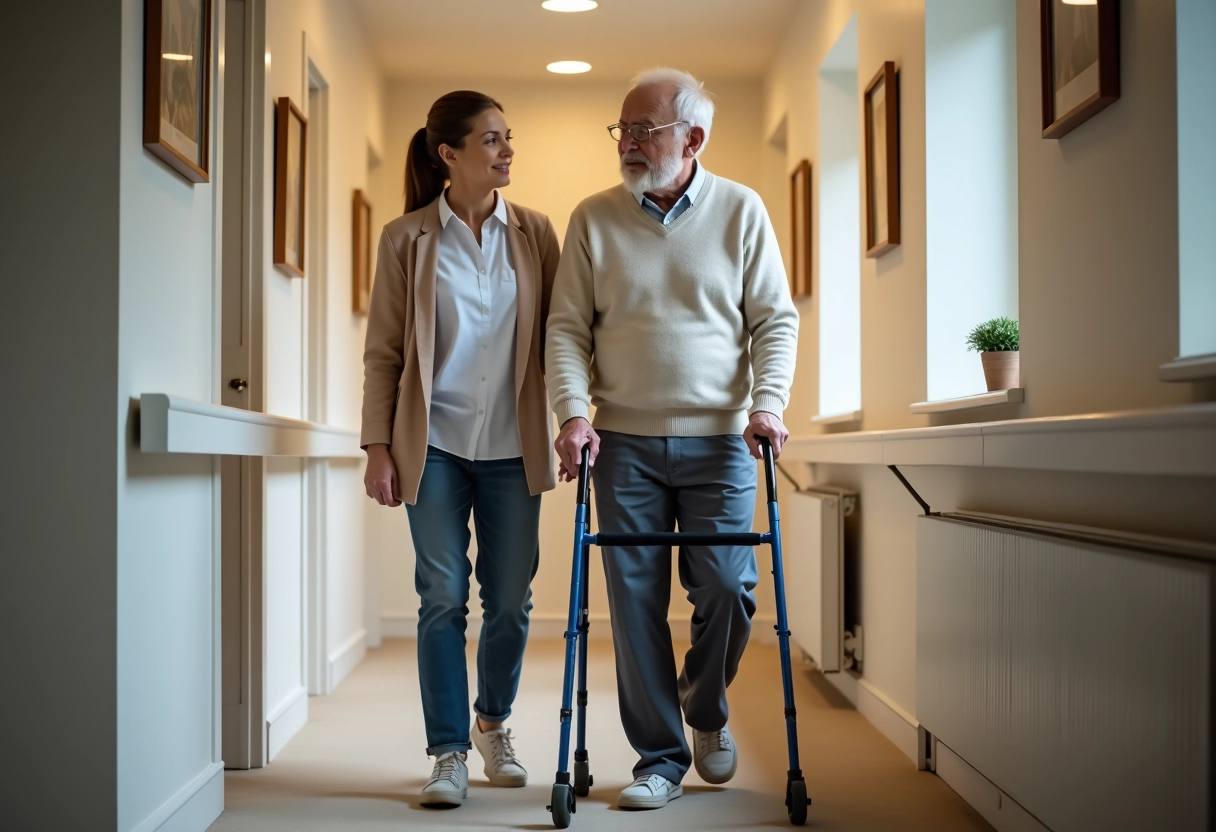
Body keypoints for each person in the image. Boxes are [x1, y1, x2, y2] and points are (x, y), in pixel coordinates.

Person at [545, 68, 799, 810]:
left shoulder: (741, 211)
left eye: (643, 129)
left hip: (722, 441)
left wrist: (769, 403)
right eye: (621, 129)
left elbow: (774, 321)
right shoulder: (593, 219)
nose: (627, 142)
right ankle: (659, 757)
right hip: (622, 440)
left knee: (727, 587)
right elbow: (566, 329)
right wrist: (572, 413)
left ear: (692, 138)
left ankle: (706, 709)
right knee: (632, 600)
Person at [360, 90, 560, 808]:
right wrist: (378, 444)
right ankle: (447, 751)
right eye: (491, 140)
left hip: (514, 445)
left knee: (509, 599)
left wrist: (571, 419)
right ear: (449, 155)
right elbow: (384, 353)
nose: (506, 151)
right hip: (434, 444)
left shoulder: (536, 234)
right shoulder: (405, 239)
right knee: (442, 596)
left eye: (509, 137)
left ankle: (492, 724)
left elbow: (558, 344)